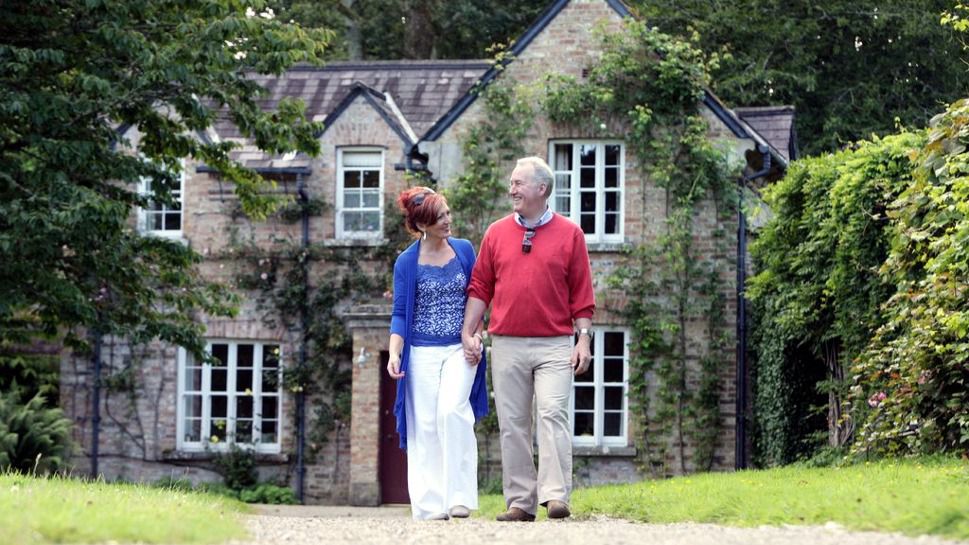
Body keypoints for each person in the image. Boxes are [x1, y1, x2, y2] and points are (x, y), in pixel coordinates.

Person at [462, 156, 594, 522]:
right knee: (513, 424)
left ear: (542, 188)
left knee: (552, 413)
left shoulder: (571, 234)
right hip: (507, 342)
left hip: (555, 343)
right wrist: (468, 331)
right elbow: (480, 287)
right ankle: (520, 502)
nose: (512, 189)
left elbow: (582, 294)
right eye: (512, 183)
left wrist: (583, 340)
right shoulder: (496, 233)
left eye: (519, 183)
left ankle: (556, 496)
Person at [387, 186, 488, 521]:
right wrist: (394, 353)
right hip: (422, 353)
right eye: (440, 217)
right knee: (426, 425)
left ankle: (459, 498)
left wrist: (476, 335)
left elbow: (478, 296)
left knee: (452, 412)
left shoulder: (464, 250)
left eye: (447, 212)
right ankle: (431, 506)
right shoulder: (406, 262)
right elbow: (400, 314)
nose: (448, 220)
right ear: (422, 225)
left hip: (460, 349)